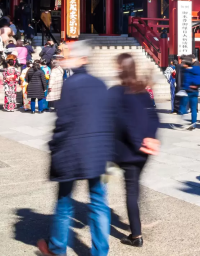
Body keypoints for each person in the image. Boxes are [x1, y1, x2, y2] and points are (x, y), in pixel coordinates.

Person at [37, 41, 113, 256]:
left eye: (69, 55)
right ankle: (100, 252)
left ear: (82, 59)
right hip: (98, 153)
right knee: (98, 202)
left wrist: (54, 145)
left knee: (64, 202)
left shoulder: (72, 84)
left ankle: (57, 249)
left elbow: (64, 121)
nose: (66, 58)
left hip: (72, 151)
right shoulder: (100, 83)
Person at [109, 53, 160, 248]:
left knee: (131, 190)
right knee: (134, 187)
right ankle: (139, 217)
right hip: (144, 150)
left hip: (126, 151)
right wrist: (151, 138)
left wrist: (138, 141)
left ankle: (136, 235)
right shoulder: (143, 91)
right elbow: (154, 118)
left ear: (120, 68)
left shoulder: (115, 92)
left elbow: (122, 122)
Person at [175, 56, 200, 130]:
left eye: (183, 63)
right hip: (195, 91)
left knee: (182, 106)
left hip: (187, 91)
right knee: (194, 109)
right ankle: (193, 124)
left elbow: (186, 81)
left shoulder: (186, 71)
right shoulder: (197, 69)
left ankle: (183, 120)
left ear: (186, 64)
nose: (182, 64)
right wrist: (197, 85)